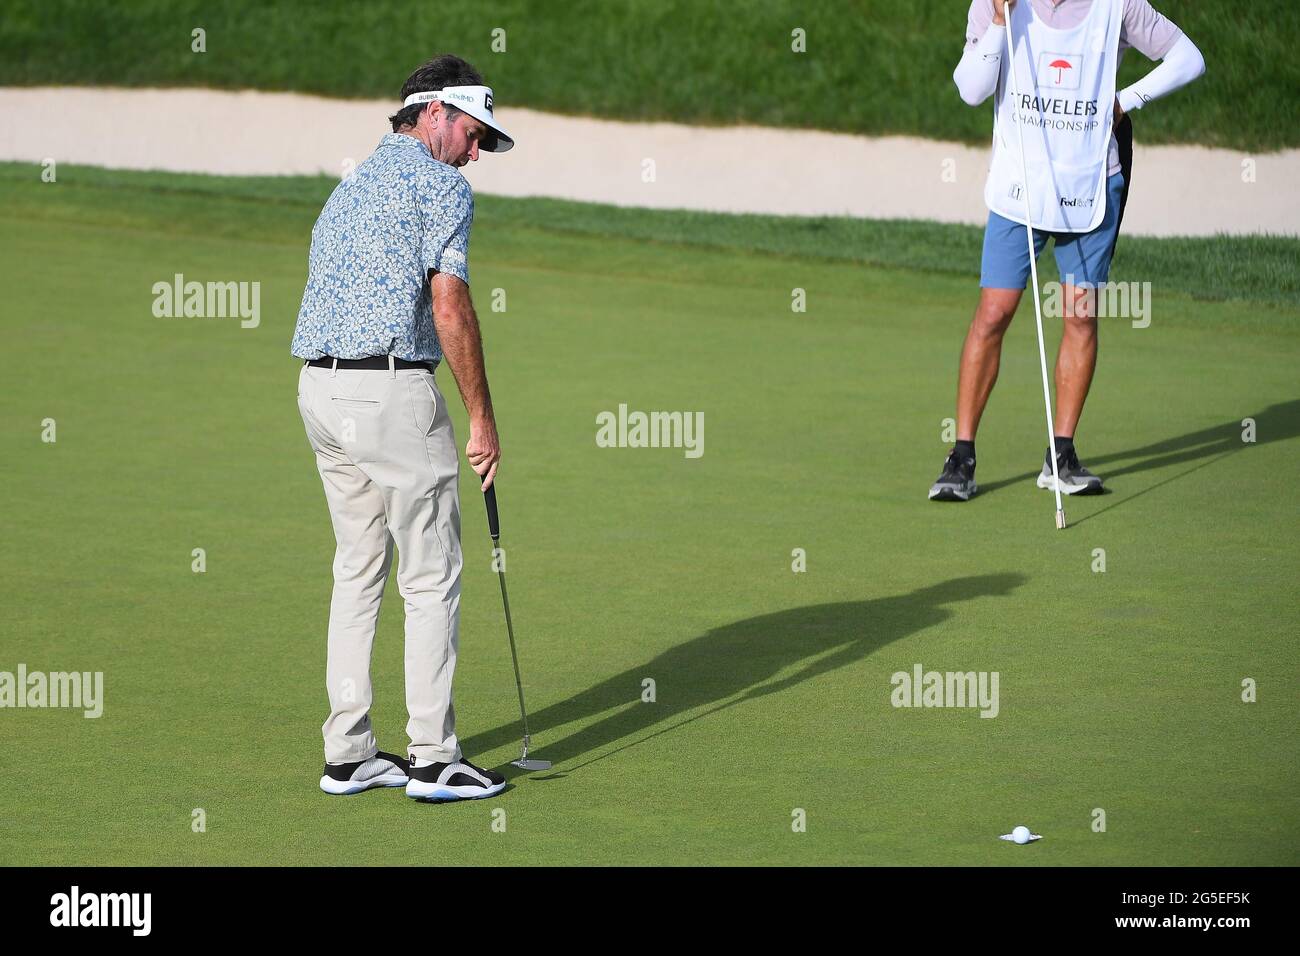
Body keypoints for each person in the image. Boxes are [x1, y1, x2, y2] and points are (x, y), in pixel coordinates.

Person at [291, 54, 513, 801]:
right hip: (389, 394)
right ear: (434, 113)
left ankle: (349, 752)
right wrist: (481, 415)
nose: (476, 153)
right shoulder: (440, 185)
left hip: (320, 391)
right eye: (474, 133)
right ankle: (432, 757)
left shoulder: (351, 183)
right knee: (430, 575)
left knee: (357, 571)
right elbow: (449, 306)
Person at [929, 0, 1204, 502]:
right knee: (994, 312)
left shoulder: (1118, 5)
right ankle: (961, 456)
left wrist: (1126, 99)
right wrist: (997, 21)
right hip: (1020, 189)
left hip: (1093, 183)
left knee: (1080, 315)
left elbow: (1189, 58)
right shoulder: (998, 6)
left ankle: (1061, 454)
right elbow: (971, 91)